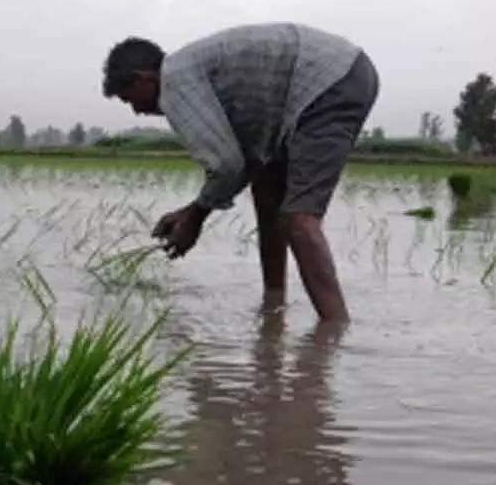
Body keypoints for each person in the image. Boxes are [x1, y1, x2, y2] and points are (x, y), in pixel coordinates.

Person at [101, 22, 379, 322]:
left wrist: (194, 219)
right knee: (266, 190)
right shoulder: (191, 73)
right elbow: (246, 165)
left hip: (328, 82)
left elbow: (225, 167)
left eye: (130, 100)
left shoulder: (175, 82)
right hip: (332, 77)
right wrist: (190, 211)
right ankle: (274, 307)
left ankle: (335, 334)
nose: (137, 112)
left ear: (143, 79)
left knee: (300, 218)